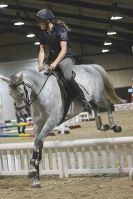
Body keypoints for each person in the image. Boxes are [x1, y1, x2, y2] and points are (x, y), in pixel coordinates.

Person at [36, 8, 91, 111]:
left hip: (64, 57)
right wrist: (40, 64)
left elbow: (64, 50)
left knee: (67, 77)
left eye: (40, 21)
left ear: (47, 21)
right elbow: (42, 51)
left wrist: (55, 63)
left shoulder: (60, 31)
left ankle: (83, 99)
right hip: (52, 58)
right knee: (42, 77)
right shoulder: (42, 33)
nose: (39, 23)